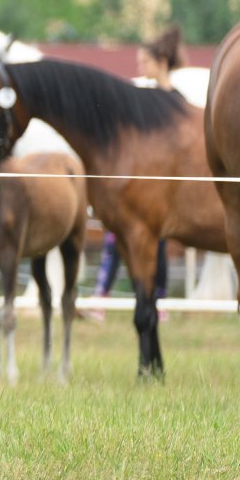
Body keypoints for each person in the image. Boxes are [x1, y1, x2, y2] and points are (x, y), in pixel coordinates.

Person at [87, 26, 181, 318]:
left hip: (163, 186)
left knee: (159, 244)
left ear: (161, 61)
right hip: (139, 184)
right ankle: (101, 297)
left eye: (145, 62)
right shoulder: (144, 97)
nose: (140, 67)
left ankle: (158, 302)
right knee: (116, 239)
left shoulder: (175, 101)